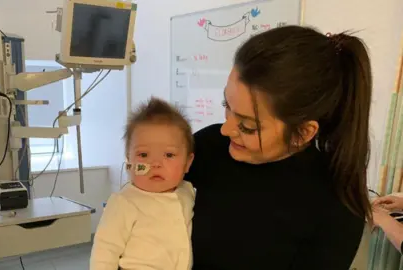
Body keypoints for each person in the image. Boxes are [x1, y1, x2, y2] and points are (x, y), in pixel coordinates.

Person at [185, 25, 372, 269]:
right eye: (226, 104)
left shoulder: (336, 204)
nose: (226, 129)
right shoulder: (210, 148)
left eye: (248, 126)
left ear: (303, 133)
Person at [90, 97, 196, 269]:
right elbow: (104, 250)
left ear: (187, 163)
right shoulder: (124, 202)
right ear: (129, 161)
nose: (155, 164)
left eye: (169, 155)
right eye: (143, 155)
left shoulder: (187, 191)